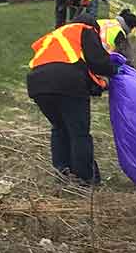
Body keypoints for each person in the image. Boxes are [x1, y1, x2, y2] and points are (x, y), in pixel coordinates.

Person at [26, 16, 119, 185]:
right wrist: (113, 71)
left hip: (37, 84)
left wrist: (96, 86)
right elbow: (97, 62)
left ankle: (63, 173)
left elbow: (74, 64)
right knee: (79, 132)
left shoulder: (55, 36)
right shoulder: (85, 29)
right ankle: (85, 178)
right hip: (66, 83)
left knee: (60, 128)